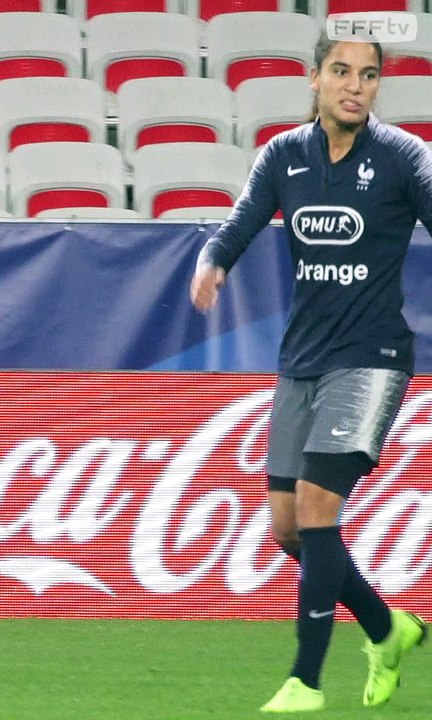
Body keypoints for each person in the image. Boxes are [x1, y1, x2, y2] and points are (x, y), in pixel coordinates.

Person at [192, 32, 429, 713]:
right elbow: (241, 220)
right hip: (301, 360)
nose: (355, 85)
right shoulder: (283, 154)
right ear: (315, 79)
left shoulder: (406, 157)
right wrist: (213, 260)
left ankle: (306, 680)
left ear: (379, 86)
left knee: (319, 509)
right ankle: (388, 629)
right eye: (341, 72)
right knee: (290, 529)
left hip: (373, 359)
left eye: (369, 75)